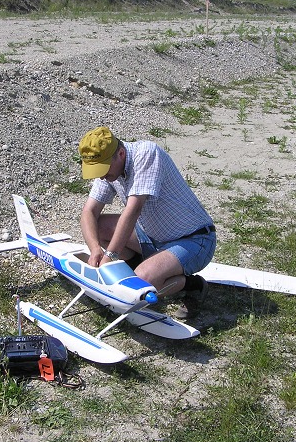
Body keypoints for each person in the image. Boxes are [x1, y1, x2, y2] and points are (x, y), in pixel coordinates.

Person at [78, 126, 216, 319]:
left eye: (103, 169)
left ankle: (193, 285)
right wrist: (94, 249)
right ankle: (141, 267)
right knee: (99, 226)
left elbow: (133, 210)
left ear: (121, 153)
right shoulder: (111, 167)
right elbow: (89, 212)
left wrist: (109, 255)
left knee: (143, 280)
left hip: (194, 240)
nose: (101, 176)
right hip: (153, 236)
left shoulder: (147, 154)